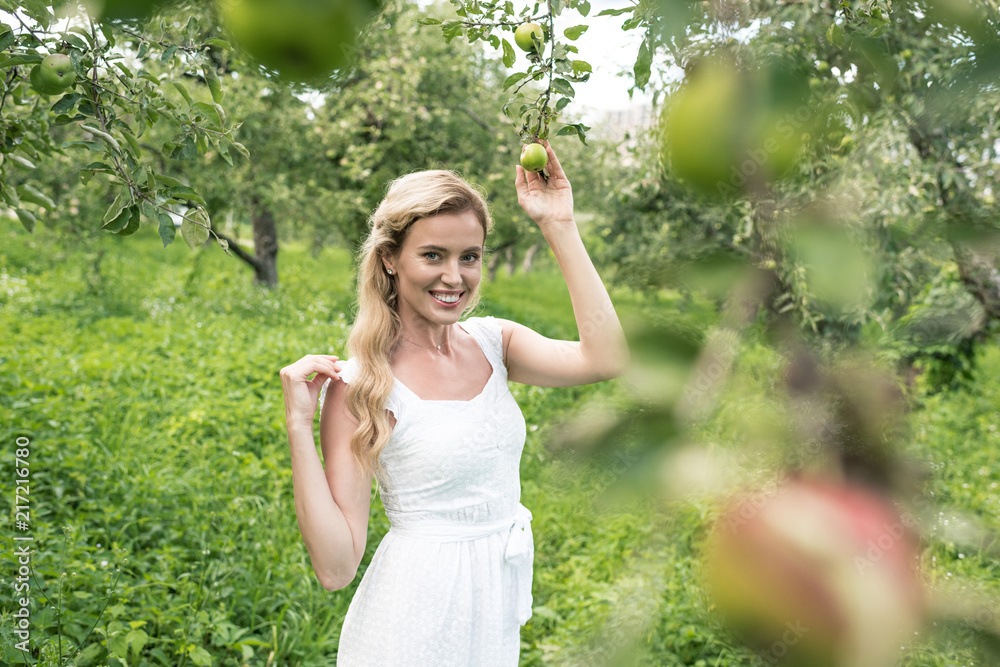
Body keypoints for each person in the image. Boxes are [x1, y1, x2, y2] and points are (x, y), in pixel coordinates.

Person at [278, 140, 630, 665]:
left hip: (491, 612)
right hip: (411, 626)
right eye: (432, 255)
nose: (454, 277)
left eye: (470, 257)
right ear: (390, 260)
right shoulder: (361, 385)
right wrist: (298, 425)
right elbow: (335, 568)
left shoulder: (496, 343)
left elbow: (606, 357)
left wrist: (559, 224)